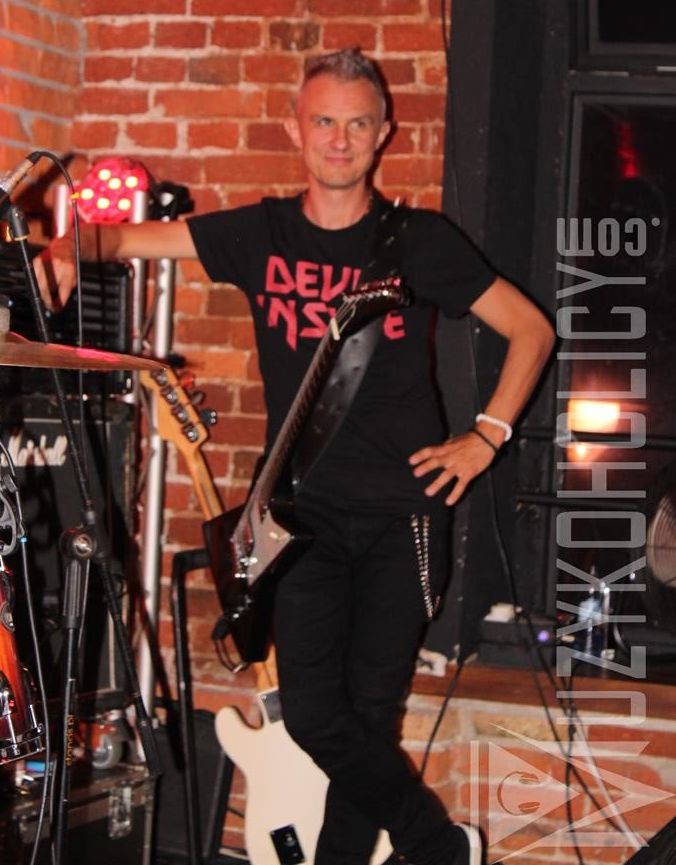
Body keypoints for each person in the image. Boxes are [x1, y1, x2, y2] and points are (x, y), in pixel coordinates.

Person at [35, 49, 554, 865]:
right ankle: (437, 846)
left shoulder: (419, 242)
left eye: (357, 123)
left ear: (383, 133)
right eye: (324, 121)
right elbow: (127, 238)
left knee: (369, 717)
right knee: (315, 716)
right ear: (295, 129)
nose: (340, 140)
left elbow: (532, 329)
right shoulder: (260, 234)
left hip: (405, 516)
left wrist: (486, 436)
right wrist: (67, 250)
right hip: (300, 518)